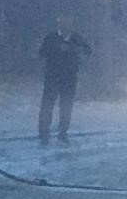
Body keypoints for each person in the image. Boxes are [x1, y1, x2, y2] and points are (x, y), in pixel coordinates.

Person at [38, 15, 92, 145]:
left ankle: (63, 133)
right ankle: (44, 133)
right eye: (63, 24)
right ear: (59, 25)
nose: (66, 27)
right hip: (52, 77)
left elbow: (88, 51)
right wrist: (56, 49)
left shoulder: (77, 38)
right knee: (47, 106)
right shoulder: (51, 37)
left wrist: (74, 49)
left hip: (69, 78)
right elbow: (42, 52)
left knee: (66, 107)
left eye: (68, 24)